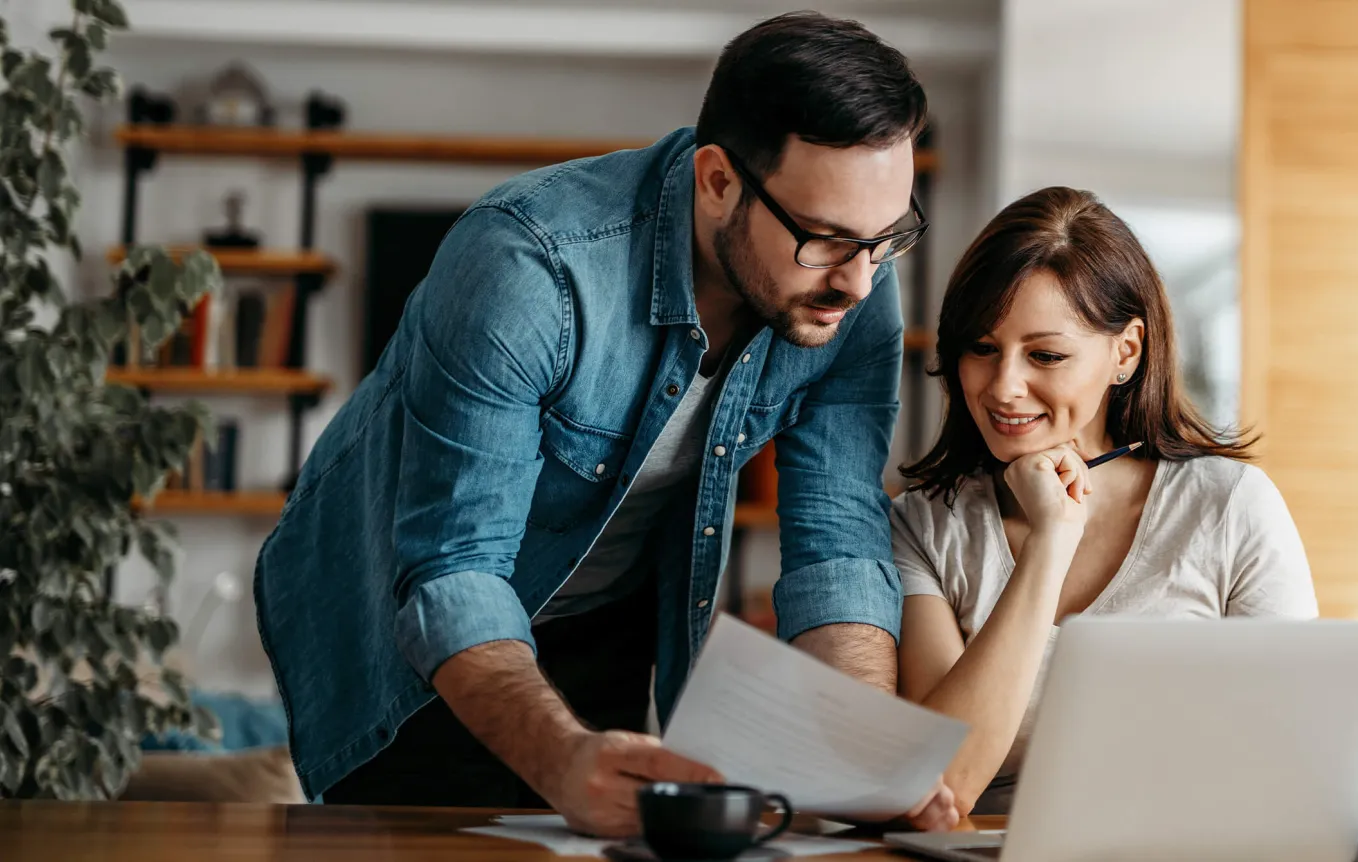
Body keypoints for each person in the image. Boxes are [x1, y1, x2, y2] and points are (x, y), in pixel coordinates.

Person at [255, 11, 956, 835]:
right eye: (826, 240)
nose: (859, 282)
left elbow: (836, 534)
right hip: (406, 626)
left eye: (885, 240)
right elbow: (454, 568)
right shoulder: (526, 268)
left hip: (605, 615)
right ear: (718, 181)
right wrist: (556, 758)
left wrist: (861, 749)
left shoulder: (855, 284)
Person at [891, 186, 1358, 818]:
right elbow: (944, 787)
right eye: (981, 348)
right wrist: (1051, 543)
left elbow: (1291, 780)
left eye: (1046, 355)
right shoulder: (922, 526)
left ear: (1127, 351)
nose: (1003, 386)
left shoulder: (1229, 509)